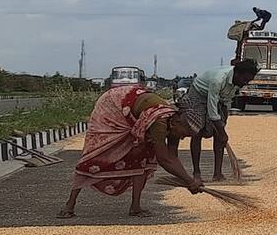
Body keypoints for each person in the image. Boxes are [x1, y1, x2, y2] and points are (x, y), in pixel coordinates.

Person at [58, 86, 205, 218]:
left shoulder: (173, 124)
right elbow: (164, 159)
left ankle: (135, 207)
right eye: (184, 133)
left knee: (141, 157)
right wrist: (190, 181)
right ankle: (69, 205)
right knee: (95, 155)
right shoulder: (160, 123)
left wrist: (189, 181)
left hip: (136, 117)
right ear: (177, 122)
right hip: (114, 107)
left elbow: (172, 156)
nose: (183, 137)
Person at [178, 59, 260, 182]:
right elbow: (211, 109)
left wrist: (221, 128)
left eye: (248, 81)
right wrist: (222, 131)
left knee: (218, 134)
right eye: (244, 80)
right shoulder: (218, 80)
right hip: (199, 94)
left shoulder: (238, 83)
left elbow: (223, 104)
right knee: (197, 130)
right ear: (237, 74)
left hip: (218, 99)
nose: (245, 83)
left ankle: (217, 174)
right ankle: (196, 173)